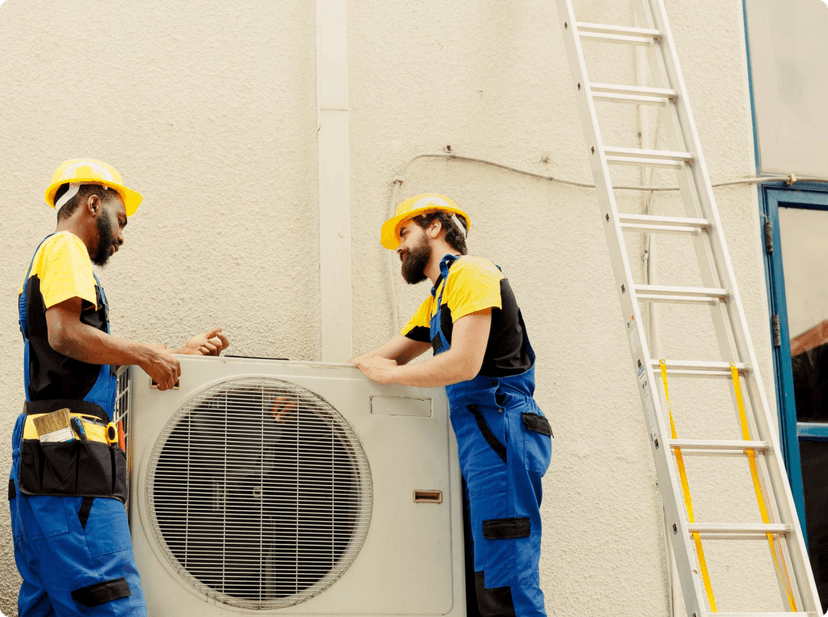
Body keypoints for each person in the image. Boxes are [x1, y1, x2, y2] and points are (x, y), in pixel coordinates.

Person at [9, 159, 230, 616]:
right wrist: (145, 354)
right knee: (112, 603)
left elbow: (81, 360)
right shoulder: (65, 247)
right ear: (94, 203)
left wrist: (170, 354)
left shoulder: (50, 259)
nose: (123, 236)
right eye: (121, 220)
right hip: (72, 468)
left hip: (47, 462)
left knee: (47, 605)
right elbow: (65, 334)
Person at [351, 193, 553, 617]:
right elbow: (381, 359)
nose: (399, 248)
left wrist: (389, 375)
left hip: (502, 431)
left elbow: (463, 362)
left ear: (435, 227)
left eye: (404, 233)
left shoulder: (472, 272)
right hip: (478, 439)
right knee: (473, 580)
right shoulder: (438, 298)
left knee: (504, 580)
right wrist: (306, 390)